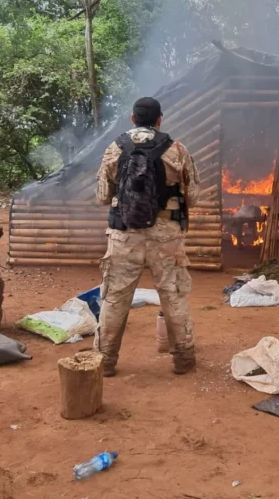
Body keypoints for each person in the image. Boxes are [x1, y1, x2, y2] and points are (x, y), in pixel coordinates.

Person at [94, 97, 200, 377]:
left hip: (123, 234)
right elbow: (194, 196)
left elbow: (103, 196)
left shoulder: (114, 148)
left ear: (132, 119)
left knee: (115, 297)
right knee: (173, 295)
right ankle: (183, 360)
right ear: (159, 120)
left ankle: (104, 362)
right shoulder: (177, 149)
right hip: (166, 235)